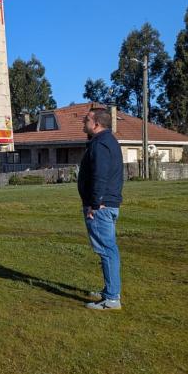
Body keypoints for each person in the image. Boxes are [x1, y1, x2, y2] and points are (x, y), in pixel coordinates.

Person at [77, 107, 124, 310]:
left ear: (96, 124)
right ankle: (110, 290)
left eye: (86, 120)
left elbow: (100, 176)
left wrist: (95, 204)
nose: (83, 123)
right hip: (106, 205)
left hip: (101, 207)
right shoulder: (106, 141)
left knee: (107, 250)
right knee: (109, 249)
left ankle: (112, 298)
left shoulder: (101, 144)